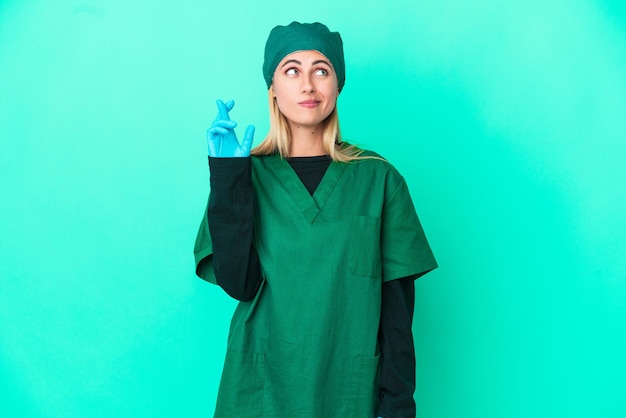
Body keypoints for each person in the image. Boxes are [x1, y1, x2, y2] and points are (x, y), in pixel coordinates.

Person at [194, 21, 437, 418]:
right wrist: (227, 180)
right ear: (272, 86)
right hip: (260, 391)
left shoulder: (378, 179)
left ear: (337, 84)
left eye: (320, 70)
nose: (307, 84)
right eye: (291, 70)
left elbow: (396, 317)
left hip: (346, 391)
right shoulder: (245, 176)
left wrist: (396, 407)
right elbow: (240, 284)